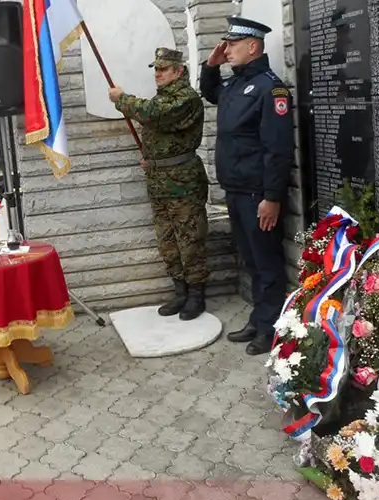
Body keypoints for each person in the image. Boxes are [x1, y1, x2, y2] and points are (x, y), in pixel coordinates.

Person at [199, 16, 295, 355]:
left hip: (257, 193)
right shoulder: (236, 84)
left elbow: (278, 148)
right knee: (252, 261)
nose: (226, 50)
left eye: (232, 44)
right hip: (236, 190)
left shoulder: (272, 88)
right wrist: (210, 66)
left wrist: (272, 197)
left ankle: (271, 328)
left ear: (252, 46)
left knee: (267, 262)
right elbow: (210, 93)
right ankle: (259, 317)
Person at [108, 47, 210, 320]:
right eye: (155, 69)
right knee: (167, 241)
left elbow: (156, 115)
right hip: (160, 180)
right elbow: (161, 134)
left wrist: (122, 99)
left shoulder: (186, 99)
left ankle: (196, 295)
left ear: (178, 71)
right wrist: (151, 159)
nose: (157, 73)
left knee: (190, 239)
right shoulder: (164, 97)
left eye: (163, 69)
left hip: (183, 182)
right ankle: (180, 292)